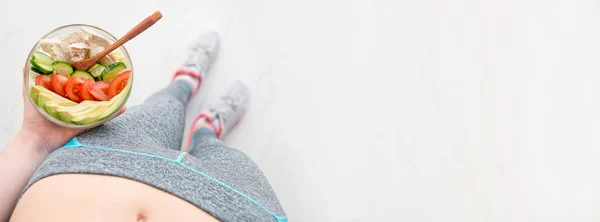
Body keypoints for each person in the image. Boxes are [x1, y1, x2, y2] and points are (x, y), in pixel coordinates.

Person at [0, 32, 287, 222]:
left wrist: (34, 139)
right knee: (227, 157)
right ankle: (206, 130)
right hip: (243, 207)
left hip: (96, 161)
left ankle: (182, 85)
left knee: (163, 110)